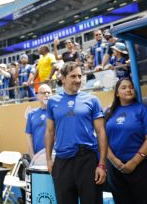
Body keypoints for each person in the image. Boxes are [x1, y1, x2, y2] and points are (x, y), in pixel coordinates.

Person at [45, 61, 108, 204]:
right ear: (63, 79)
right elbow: (49, 132)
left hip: (87, 159)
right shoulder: (52, 102)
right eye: (73, 76)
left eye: (80, 76)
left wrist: (102, 164)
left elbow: (101, 132)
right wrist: (49, 159)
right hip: (62, 162)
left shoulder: (92, 100)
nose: (78, 80)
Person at [105, 78, 147, 204]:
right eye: (124, 87)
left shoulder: (143, 110)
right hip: (116, 167)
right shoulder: (109, 112)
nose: (128, 90)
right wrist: (115, 162)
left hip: (142, 166)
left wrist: (134, 162)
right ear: (117, 93)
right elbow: (102, 139)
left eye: (131, 87)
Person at [25, 84, 52, 159]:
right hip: (37, 157)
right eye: (43, 93)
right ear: (38, 96)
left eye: (49, 92)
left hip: (54, 156)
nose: (46, 95)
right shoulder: (32, 114)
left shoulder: (57, 112)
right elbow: (29, 136)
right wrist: (32, 155)